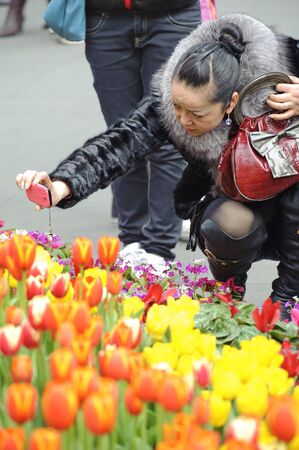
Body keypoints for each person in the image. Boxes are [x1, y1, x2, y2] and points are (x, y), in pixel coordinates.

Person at [16, 14, 299, 319]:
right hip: (239, 206)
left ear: (230, 103)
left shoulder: (284, 67)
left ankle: (287, 297)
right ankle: (229, 292)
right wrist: (60, 185)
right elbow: (120, 143)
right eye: (177, 107)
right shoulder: (170, 103)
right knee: (227, 225)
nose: (183, 120)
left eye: (197, 113)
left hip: (292, 206)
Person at [84, 0, 202, 265]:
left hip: (173, 14)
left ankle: (159, 249)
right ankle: (132, 242)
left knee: (168, 136)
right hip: (105, 17)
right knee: (121, 139)